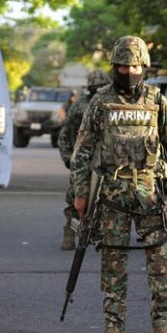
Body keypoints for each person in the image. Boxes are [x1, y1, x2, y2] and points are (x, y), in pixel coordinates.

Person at [70, 36, 167, 333]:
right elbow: (82, 150)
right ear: (115, 66)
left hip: (151, 192)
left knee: (160, 262)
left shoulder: (156, 99)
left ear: (144, 67)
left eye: (135, 65)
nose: (129, 71)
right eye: (123, 65)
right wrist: (80, 193)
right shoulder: (100, 101)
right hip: (112, 192)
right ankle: (114, 328)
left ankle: (162, 326)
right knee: (113, 262)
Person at [57, 69, 111, 250]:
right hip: (81, 160)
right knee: (75, 197)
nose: (98, 89)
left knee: (105, 199)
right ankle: (70, 233)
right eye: (95, 86)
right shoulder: (80, 106)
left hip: (104, 161)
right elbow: (65, 134)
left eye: (102, 86)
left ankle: (100, 234)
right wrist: (67, 158)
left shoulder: (111, 104)